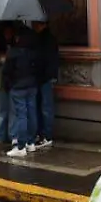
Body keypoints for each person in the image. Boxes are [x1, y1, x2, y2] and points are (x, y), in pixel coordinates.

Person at [1, 25, 41, 159]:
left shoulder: (13, 52)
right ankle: (31, 142)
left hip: (18, 87)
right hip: (32, 85)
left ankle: (21, 146)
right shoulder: (33, 52)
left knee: (21, 115)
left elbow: (6, 72)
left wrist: (8, 86)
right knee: (31, 113)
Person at [33, 21, 59, 149]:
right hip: (44, 77)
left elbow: (47, 60)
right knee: (43, 107)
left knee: (44, 108)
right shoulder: (48, 38)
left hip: (43, 78)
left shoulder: (45, 39)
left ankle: (45, 135)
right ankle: (43, 134)